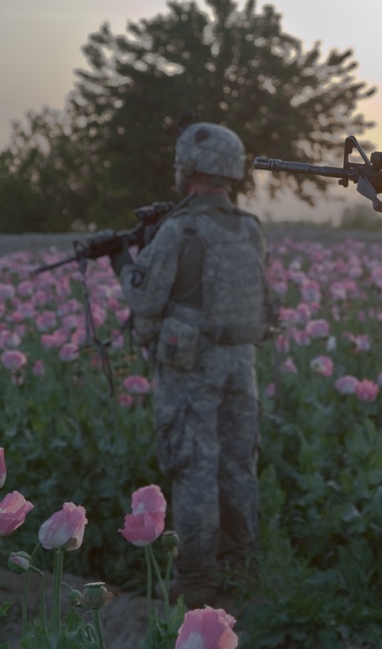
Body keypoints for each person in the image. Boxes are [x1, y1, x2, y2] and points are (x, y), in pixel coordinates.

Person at [108, 122, 274, 608]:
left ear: (194, 170)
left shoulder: (180, 230)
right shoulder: (249, 227)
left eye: (180, 164)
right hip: (241, 363)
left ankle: (198, 580)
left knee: (194, 467)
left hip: (191, 366)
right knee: (239, 465)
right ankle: (244, 571)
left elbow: (145, 298)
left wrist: (121, 260)